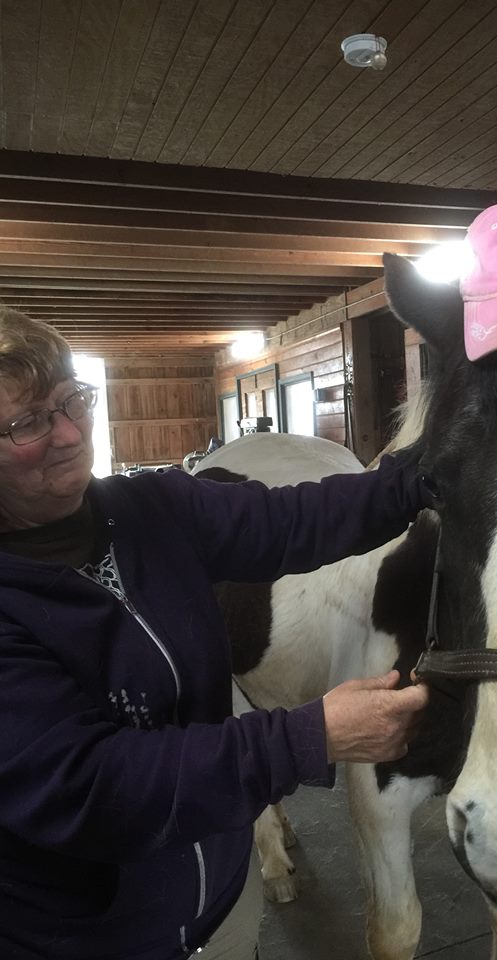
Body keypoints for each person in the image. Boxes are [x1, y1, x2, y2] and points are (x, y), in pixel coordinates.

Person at [0, 309, 432, 960]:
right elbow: (89, 787)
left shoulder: (147, 509)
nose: (67, 433)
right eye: (29, 421)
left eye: (72, 401)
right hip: (92, 942)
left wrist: (431, 468)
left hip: (224, 908)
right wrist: (309, 736)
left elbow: (292, 521)